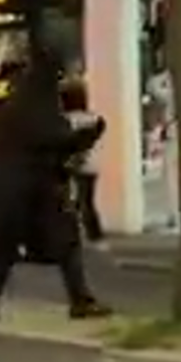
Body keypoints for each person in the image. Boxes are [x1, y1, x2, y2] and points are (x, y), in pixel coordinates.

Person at [0, 49, 112, 321]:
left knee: (2, 248)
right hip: (38, 189)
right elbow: (58, 141)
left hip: (6, 190)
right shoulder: (42, 107)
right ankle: (80, 300)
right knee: (66, 242)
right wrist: (92, 133)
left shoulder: (14, 105)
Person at [59, 80, 106, 246]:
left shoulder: (64, 120)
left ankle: (69, 236)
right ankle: (95, 236)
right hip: (91, 165)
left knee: (65, 202)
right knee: (87, 202)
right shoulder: (94, 118)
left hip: (66, 165)